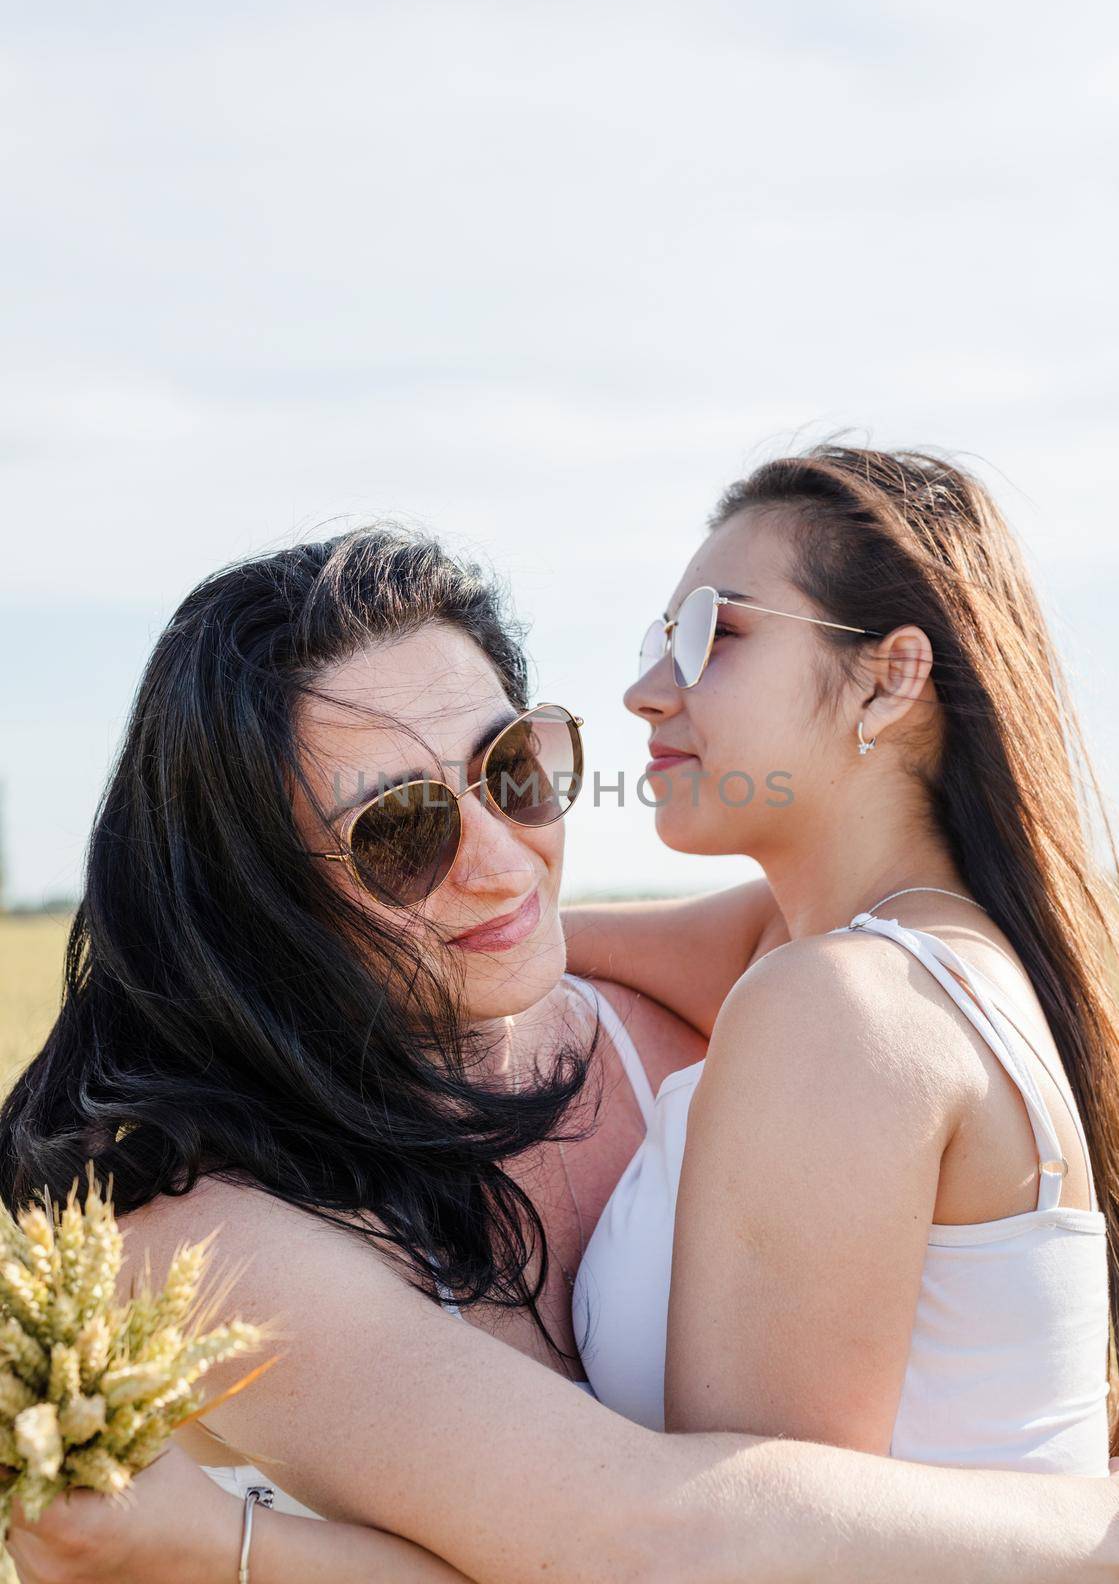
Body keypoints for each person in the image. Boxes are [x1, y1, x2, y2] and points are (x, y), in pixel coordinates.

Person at [3, 520, 1118, 1584]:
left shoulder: (703, 1023)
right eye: (399, 832)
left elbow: (851, 889)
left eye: (513, 766)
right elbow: (630, 1546)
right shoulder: (203, 1233)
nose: (505, 862)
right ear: (252, 899)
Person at [570, 445, 1116, 1475]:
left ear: (887, 679)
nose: (645, 690)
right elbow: (565, 942)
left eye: (710, 635)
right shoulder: (854, 950)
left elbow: (742, 1547)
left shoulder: (843, 1005)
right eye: (659, 639)